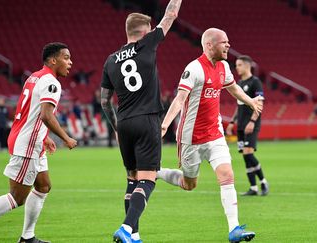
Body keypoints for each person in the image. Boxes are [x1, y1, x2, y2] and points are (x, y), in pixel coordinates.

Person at [158, 28, 262, 243]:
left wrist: (250, 101)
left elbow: (233, 89)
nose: (228, 45)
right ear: (209, 45)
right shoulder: (194, 69)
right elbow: (179, 100)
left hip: (215, 135)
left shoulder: (224, 66)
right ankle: (156, 172)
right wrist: (164, 125)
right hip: (191, 138)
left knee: (227, 175)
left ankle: (234, 228)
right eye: (224, 42)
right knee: (189, 184)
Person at [0, 42, 78, 243]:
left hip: (32, 140)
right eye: (66, 58)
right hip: (27, 144)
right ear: (53, 60)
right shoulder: (51, 82)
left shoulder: (34, 77)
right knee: (17, 197)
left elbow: (29, 112)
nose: (70, 62)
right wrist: (66, 137)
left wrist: (44, 137)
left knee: (43, 186)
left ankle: (27, 237)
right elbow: (47, 116)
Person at [100, 1, 182, 242]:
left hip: (124, 123)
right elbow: (171, 14)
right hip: (147, 120)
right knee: (148, 179)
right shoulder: (147, 44)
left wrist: (115, 127)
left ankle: (134, 235)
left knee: (132, 179)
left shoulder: (110, 60)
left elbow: (105, 101)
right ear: (145, 31)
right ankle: (126, 228)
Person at [226, 55, 269, 196]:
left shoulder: (255, 82)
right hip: (240, 125)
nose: (236, 67)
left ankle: (263, 182)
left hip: (251, 124)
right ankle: (253, 187)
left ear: (247, 66)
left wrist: (252, 122)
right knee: (245, 156)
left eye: (239, 65)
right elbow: (239, 105)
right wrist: (232, 122)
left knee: (248, 154)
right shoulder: (238, 83)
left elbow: (260, 104)